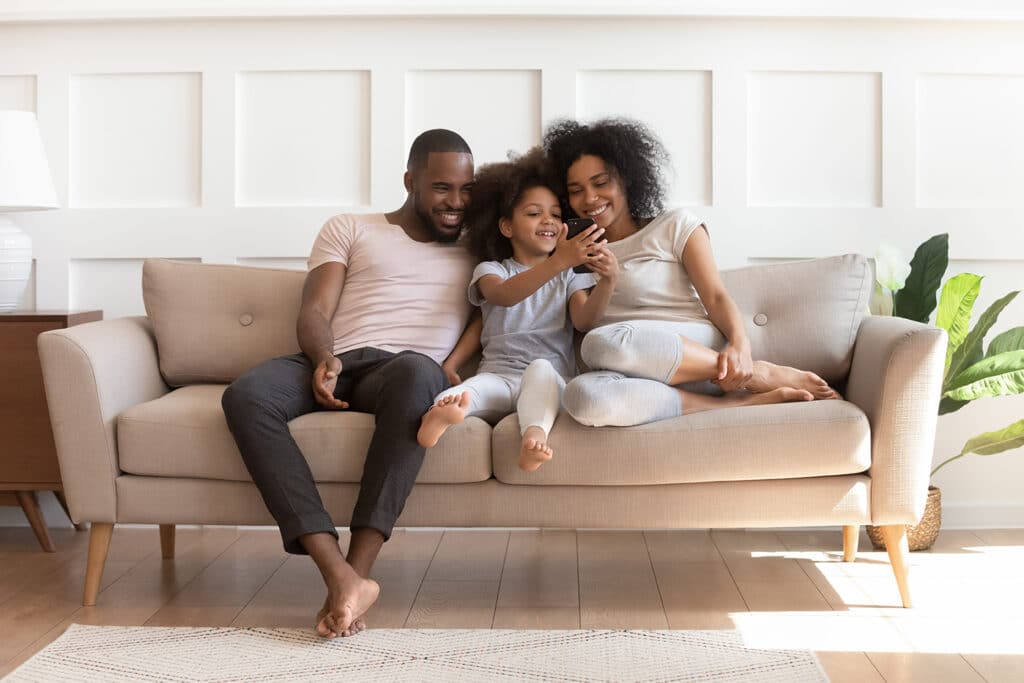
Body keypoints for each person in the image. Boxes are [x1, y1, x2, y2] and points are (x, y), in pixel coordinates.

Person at [221, 129, 477, 639]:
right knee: (245, 395)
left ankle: (353, 579)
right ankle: (338, 574)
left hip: (405, 371)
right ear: (410, 181)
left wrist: (455, 361)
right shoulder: (351, 228)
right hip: (337, 359)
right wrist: (323, 358)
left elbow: (506, 304)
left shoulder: (481, 248)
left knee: (417, 373)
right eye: (442, 188)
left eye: (466, 190)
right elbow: (314, 308)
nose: (456, 202)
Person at [541, 118, 839, 427]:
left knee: (599, 343)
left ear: (627, 179)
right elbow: (583, 320)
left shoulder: (675, 225)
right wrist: (572, 264)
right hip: (629, 370)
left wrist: (740, 347)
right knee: (582, 397)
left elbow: (716, 295)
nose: (589, 198)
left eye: (601, 183)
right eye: (576, 190)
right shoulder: (572, 252)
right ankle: (734, 406)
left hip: (692, 352)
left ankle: (758, 374)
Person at [416, 148, 618, 472]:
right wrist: (452, 364)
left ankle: (533, 437)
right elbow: (501, 300)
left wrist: (607, 282)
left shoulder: (569, 274)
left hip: (547, 379)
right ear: (507, 227)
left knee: (540, 369)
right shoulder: (491, 270)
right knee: (472, 392)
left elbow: (584, 320)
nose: (548, 220)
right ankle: (443, 412)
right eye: (534, 213)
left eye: (555, 213)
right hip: (498, 374)